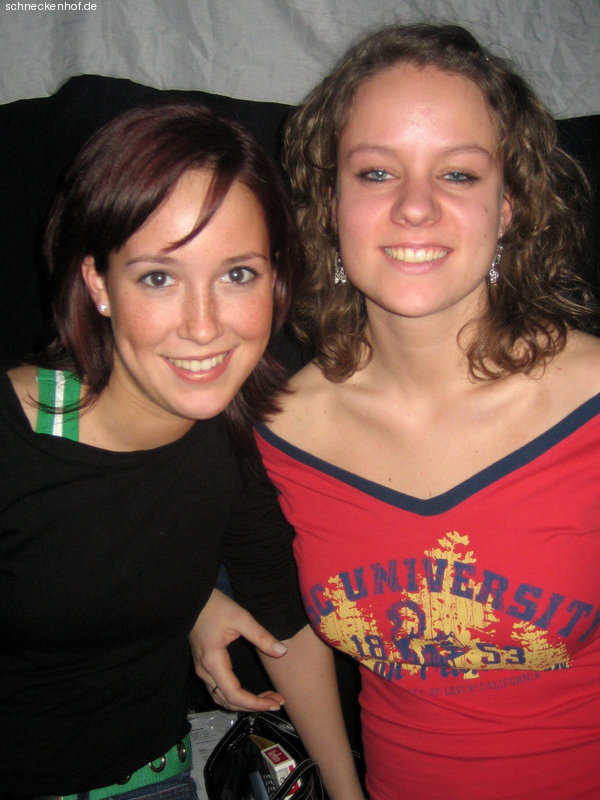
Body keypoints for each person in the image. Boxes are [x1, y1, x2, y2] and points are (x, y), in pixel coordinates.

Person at [250, 22, 600, 799]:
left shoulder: (592, 409)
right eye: (376, 172)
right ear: (331, 202)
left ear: (508, 207)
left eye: (459, 174)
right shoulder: (279, 431)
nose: (414, 207)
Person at [0, 100, 364, 800]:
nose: (203, 326)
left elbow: (281, 619)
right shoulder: (15, 440)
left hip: (157, 778)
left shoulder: (238, 439)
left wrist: (347, 793)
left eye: (237, 274)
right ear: (98, 284)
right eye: (159, 277)